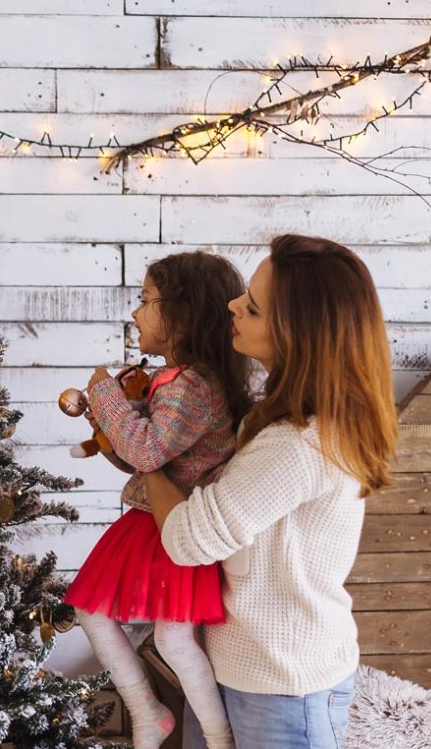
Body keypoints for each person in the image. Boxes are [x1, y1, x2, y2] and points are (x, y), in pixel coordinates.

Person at [143, 234, 399, 749]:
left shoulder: (298, 444)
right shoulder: (286, 419)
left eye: (253, 308)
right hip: (247, 666)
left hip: (282, 686)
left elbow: (189, 538)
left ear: (297, 334)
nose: (234, 305)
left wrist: (145, 458)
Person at [63, 252, 252, 749]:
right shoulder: (181, 381)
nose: (135, 313)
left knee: (169, 638)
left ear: (182, 316)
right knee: (100, 613)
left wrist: (105, 394)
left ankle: (214, 735)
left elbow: (146, 449)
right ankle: (150, 712)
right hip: (156, 521)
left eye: (146, 301)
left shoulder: (192, 385)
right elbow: (141, 459)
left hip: (173, 526)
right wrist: (108, 424)